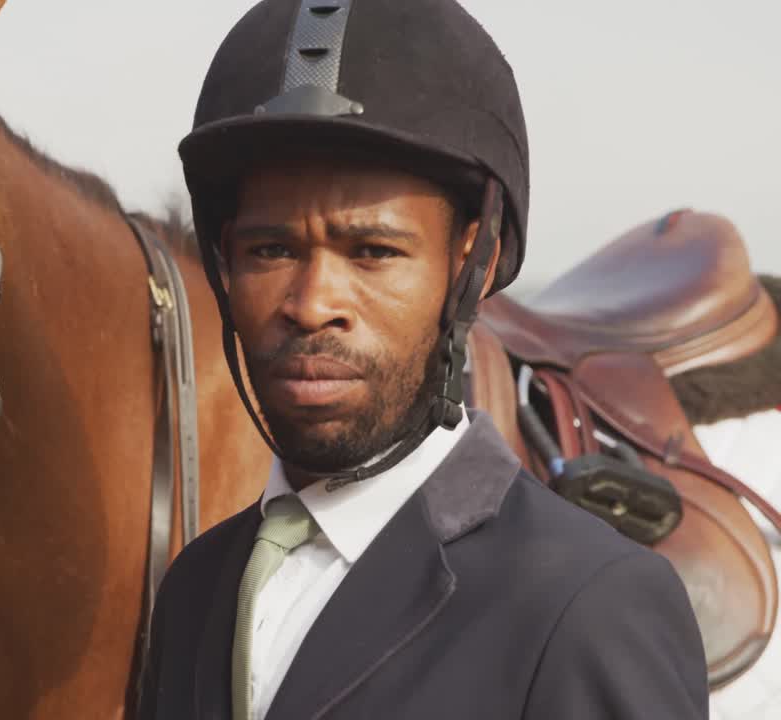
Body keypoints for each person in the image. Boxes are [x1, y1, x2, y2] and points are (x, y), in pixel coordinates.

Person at [137, 1, 709, 718]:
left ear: (472, 263)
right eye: (271, 250)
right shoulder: (193, 589)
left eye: (373, 252)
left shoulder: (589, 604)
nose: (312, 304)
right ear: (224, 263)